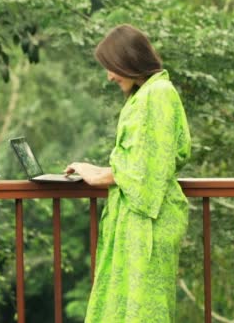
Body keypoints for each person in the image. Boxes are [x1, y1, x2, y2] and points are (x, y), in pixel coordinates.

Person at [64, 24, 191, 322]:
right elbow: (142, 160)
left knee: (143, 311)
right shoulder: (149, 93)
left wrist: (98, 178)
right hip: (139, 219)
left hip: (149, 221)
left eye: (112, 68)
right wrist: (92, 169)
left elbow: (146, 171)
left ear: (129, 60)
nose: (109, 76)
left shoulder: (156, 95)